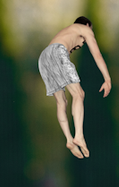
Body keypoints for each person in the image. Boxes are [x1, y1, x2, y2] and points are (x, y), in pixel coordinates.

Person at [38, 16, 111, 159]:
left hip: (44, 58)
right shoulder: (84, 29)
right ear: (87, 25)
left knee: (62, 102)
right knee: (79, 94)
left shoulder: (66, 33)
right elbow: (97, 55)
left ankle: (69, 139)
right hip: (57, 53)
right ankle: (79, 135)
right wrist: (107, 78)